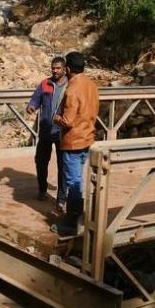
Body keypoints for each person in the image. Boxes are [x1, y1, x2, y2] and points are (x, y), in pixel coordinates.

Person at [51, 51, 99, 236]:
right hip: (88, 137)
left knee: (73, 182)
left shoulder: (72, 89)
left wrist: (56, 118)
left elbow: (68, 120)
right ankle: (80, 216)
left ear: (68, 69)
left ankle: (72, 222)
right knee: (78, 179)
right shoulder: (92, 85)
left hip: (73, 141)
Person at [27, 56, 68, 211]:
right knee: (41, 161)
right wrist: (32, 106)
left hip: (62, 132)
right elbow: (35, 99)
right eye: (53, 68)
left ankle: (61, 198)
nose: (55, 71)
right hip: (45, 130)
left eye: (58, 68)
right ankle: (42, 189)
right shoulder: (45, 83)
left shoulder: (70, 85)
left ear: (65, 69)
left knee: (63, 166)